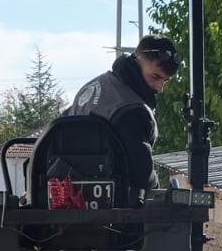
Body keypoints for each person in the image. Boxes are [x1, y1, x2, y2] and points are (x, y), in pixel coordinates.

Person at [59, 34, 181, 200]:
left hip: (65, 193)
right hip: (112, 205)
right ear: (138, 61)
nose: (160, 88)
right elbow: (142, 176)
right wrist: (158, 195)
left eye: (165, 81)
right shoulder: (132, 111)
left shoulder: (92, 86)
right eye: (155, 77)